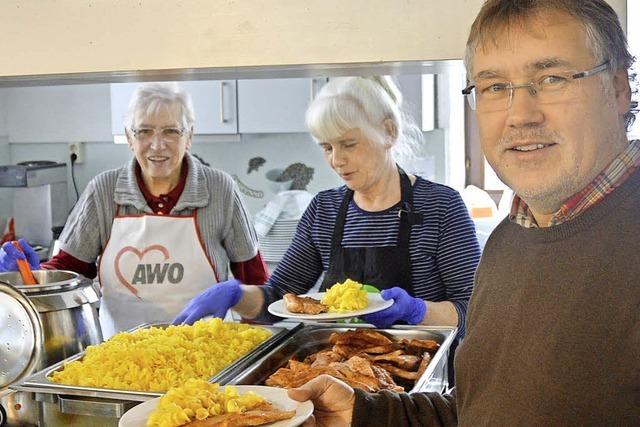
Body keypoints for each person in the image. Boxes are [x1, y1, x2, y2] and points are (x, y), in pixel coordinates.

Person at [285, 0, 640, 425]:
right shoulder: (512, 239)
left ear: (620, 88)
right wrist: (365, 414)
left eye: (552, 78)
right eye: (494, 87)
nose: (520, 116)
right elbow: (479, 408)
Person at [174, 76, 481, 337]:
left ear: (388, 132)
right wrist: (236, 295)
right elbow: (277, 301)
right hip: (337, 373)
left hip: (421, 374)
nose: (337, 160)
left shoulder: (441, 206)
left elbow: (475, 313)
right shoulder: (325, 210)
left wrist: (418, 310)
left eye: (348, 144)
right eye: (326, 147)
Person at [0, 82, 268, 338]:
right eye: (145, 131)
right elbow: (70, 272)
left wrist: (245, 314)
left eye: (171, 131)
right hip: (122, 361)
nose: (157, 144)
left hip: (205, 356)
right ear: (129, 137)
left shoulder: (220, 190)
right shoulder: (103, 190)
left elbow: (258, 282)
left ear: (189, 137)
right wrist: (32, 275)